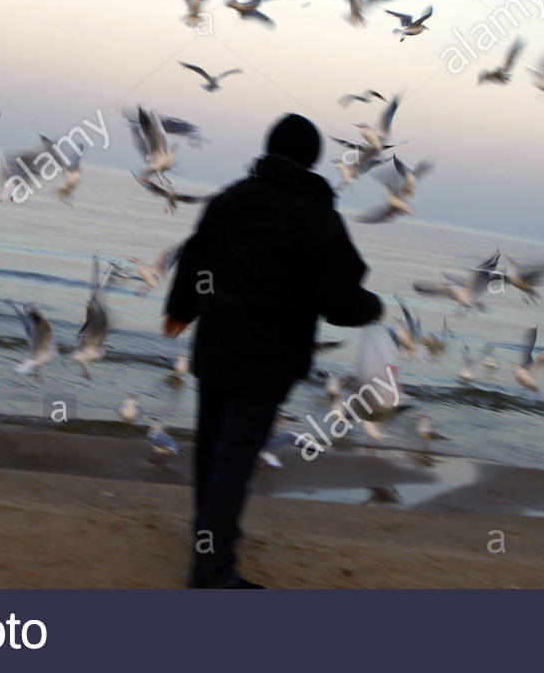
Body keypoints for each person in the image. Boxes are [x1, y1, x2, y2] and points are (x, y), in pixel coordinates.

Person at [162, 112, 383, 588]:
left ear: (269, 148)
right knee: (234, 460)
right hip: (269, 362)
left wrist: (180, 309)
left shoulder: (231, 200)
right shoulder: (320, 218)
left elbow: (196, 256)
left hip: (218, 349)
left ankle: (211, 541)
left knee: (213, 454)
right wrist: (373, 308)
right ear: (313, 161)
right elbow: (341, 302)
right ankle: (213, 573)